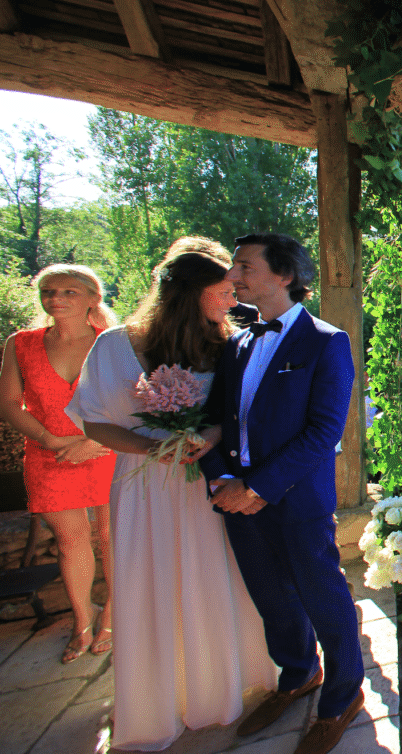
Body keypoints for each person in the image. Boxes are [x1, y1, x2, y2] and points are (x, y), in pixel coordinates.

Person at [71, 242, 277, 750]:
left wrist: (203, 438)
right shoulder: (114, 345)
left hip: (205, 484)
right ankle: (156, 700)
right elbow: (94, 419)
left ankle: (218, 689)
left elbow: (236, 415)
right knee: (151, 581)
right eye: (222, 291)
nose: (232, 299)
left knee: (214, 578)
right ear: (190, 294)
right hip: (142, 491)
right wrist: (150, 446)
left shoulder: (227, 343)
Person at [198, 233, 365, 753]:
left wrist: (259, 486)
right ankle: (297, 675)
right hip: (237, 501)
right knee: (270, 597)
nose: (233, 276)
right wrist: (220, 479)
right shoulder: (237, 342)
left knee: (324, 598)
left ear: (284, 275)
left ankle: (342, 698)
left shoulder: (326, 341)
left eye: (244, 266)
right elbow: (216, 421)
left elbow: (322, 432)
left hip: (295, 502)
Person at [0, 264, 117, 664]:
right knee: (71, 542)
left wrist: (90, 442)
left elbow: (134, 403)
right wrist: (50, 439)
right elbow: (8, 404)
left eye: (69, 291)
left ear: (92, 298)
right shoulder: (21, 343)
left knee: (112, 539)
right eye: (48, 291)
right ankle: (81, 621)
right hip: (48, 455)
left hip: (107, 451)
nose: (56, 298)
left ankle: (113, 619)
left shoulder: (113, 342)